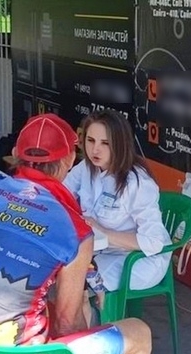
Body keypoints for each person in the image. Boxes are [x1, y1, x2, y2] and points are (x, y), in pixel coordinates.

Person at [0, 113, 152, 354]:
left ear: (15, 153)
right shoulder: (74, 229)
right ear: (69, 160)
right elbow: (68, 324)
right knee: (138, 334)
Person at [63, 109, 171, 293]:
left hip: (137, 259)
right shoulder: (86, 168)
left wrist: (103, 232)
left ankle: (95, 311)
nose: (95, 149)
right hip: (99, 251)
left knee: (80, 281)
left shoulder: (137, 183)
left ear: (120, 144)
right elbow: (60, 195)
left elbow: (154, 242)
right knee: (59, 270)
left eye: (105, 143)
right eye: (90, 140)